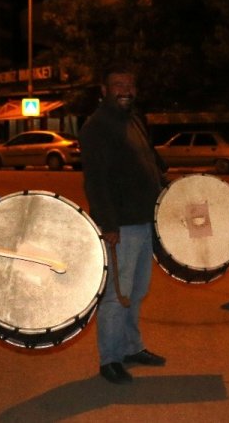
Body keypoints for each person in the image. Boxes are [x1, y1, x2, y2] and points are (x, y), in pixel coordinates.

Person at [80, 66, 168, 385]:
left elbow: (151, 163)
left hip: (145, 219)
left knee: (137, 291)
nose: (125, 89)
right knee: (118, 295)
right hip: (121, 224)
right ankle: (110, 359)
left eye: (130, 84)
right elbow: (96, 181)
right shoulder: (97, 126)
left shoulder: (134, 120)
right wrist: (108, 224)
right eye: (118, 84)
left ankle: (131, 348)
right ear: (103, 90)